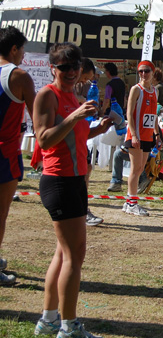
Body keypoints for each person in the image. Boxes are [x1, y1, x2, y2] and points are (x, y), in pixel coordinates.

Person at [32, 42, 110, 337]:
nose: (70, 72)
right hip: (59, 180)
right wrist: (75, 116)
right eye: (63, 67)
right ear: (53, 68)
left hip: (76, 179)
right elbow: (44, 140)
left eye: (74, 67)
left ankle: (50, 319)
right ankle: (68, 326)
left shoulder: (73, 95)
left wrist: (96, 130)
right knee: (74, 256)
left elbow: (73, 136)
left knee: (63, 254)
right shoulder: (47, 96)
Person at [0, 26, 36, 286]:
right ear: (14, 49)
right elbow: (40, 116)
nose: (23, 54)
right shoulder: (19, 76)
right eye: (22, 49)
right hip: (5, 152)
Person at [122, 61, 161, 216]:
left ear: (152, 73)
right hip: (136, 135)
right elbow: (129, 113)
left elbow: (153, 116)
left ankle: (129, 201)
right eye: (140, 71)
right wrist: (133, 134)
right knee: (135, 168)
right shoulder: (136, 89)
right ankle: (132, 202)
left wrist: (157, 134)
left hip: (147, 135)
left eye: (146, 71)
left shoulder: (154, 91)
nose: (143, 74)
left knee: (140, 169)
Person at [75, 58, 104, 227]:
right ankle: (82, 211)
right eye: (87, 77)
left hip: (80, 134)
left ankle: (83, 210)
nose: (88, 81)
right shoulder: (68, 86)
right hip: (70, 139)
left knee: (87, 168)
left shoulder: (79, 85)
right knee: (84, 170)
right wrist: (82, 103)